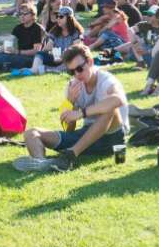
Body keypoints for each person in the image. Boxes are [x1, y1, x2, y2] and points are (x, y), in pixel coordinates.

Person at [16, 43, 130, 171]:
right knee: (31, 133)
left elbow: (118, 99)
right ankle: (42, 163)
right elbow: (69, 129)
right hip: (86, 138)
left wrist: (82, 113)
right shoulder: (73, 87)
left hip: (113, 139)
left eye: (79, 69)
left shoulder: (106, 80)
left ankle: (70, 155)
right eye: (71, 71)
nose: (76, 74)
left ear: (90, 62)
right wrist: (70, 103)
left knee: (110, 109)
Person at [0, 7, 49, 74]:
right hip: (19, 55)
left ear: (33, 16)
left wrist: (17, 52)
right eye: (20, 14)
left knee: (5, 57)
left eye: (25, 14)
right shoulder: (18, 28)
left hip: (32, 59)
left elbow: (36, 51)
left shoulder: (37, 28)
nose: (22, 16)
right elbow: (7, 43)